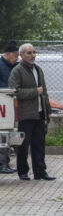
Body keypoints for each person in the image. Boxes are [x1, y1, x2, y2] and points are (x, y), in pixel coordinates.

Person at [8, 43, 55, 181]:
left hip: (39, 113)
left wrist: (47, 110)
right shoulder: (17, 71)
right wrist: (35, 92)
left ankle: (40, 172)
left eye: (34, 52)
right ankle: (23, 172)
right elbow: (14, 91)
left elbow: (44, 91)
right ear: (21, 55)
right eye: (29, 53)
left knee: (39, 145)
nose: (32, 55)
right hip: (25, 114)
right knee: (23, 145)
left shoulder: (38, 69)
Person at [0, 41, 19, 174]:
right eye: (15, 55)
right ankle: (2, 164)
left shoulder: (13, 66)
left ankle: (4, 163)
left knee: (7, 137)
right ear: (8, 54)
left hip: (10, 106)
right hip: (3, 105)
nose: (17, 58)